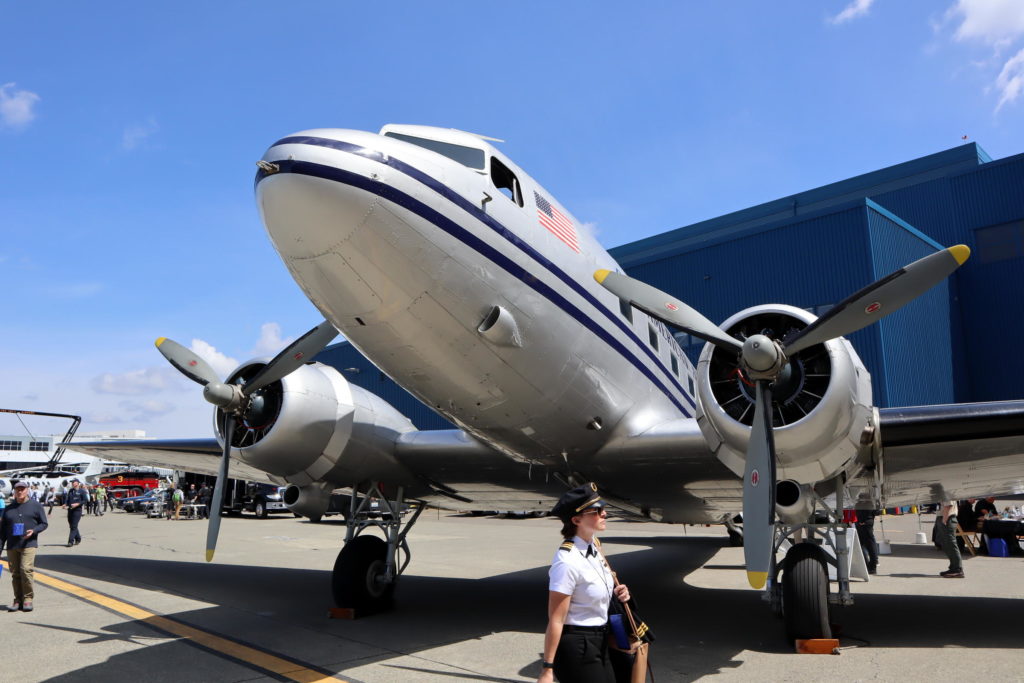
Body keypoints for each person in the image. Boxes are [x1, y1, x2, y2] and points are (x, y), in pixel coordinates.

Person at [538, 483, 631, 683]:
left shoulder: (595, 548)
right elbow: (556, 619)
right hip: (578, 645)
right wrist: (547, 668)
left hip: (602, 639)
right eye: (597, 511)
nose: (604, 514)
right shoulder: (567, 561)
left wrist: (618, 593)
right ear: (576, 519)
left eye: (603, 509)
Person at [0, 480, 48, 611]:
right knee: (15, 573)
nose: (20, 491)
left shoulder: (36, 505)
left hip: (29, 543)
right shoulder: (9, 509)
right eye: (17, 490)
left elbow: (44, 523)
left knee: (26, 570)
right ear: (14, 491)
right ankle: (17, 600)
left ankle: (28, 598)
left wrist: (34, 531)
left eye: (22, 489)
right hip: (12, 545)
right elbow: (2, 531)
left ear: (27, 490)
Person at [938, 500, 964, 578]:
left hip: (948, 518)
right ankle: (953, 568)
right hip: (945, 518)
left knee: (951, 545)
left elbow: (948, 505)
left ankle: (957, 569)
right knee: (947, 545)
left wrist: (944, 520)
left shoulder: (946, 491)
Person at [63, 479, 88, 547]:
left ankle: (70, 541)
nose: (72, 483)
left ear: (78, 483)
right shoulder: (71, 490)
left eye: (74, 482)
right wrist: (65, 504)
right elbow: (67, 499)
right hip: (70, 510)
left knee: (73, 526)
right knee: (72, 526)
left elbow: (85, 500)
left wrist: (77, 504)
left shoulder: (82, 491)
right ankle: (78, 538)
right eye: (72, 482)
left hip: (77, 510)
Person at [854, 507, 879, 574]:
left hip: (864, 520)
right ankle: (869, 565)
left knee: (869, 544)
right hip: (866, 519)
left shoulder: (863, 499)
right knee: (865, 543)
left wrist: (862, 520)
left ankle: (872, 566)